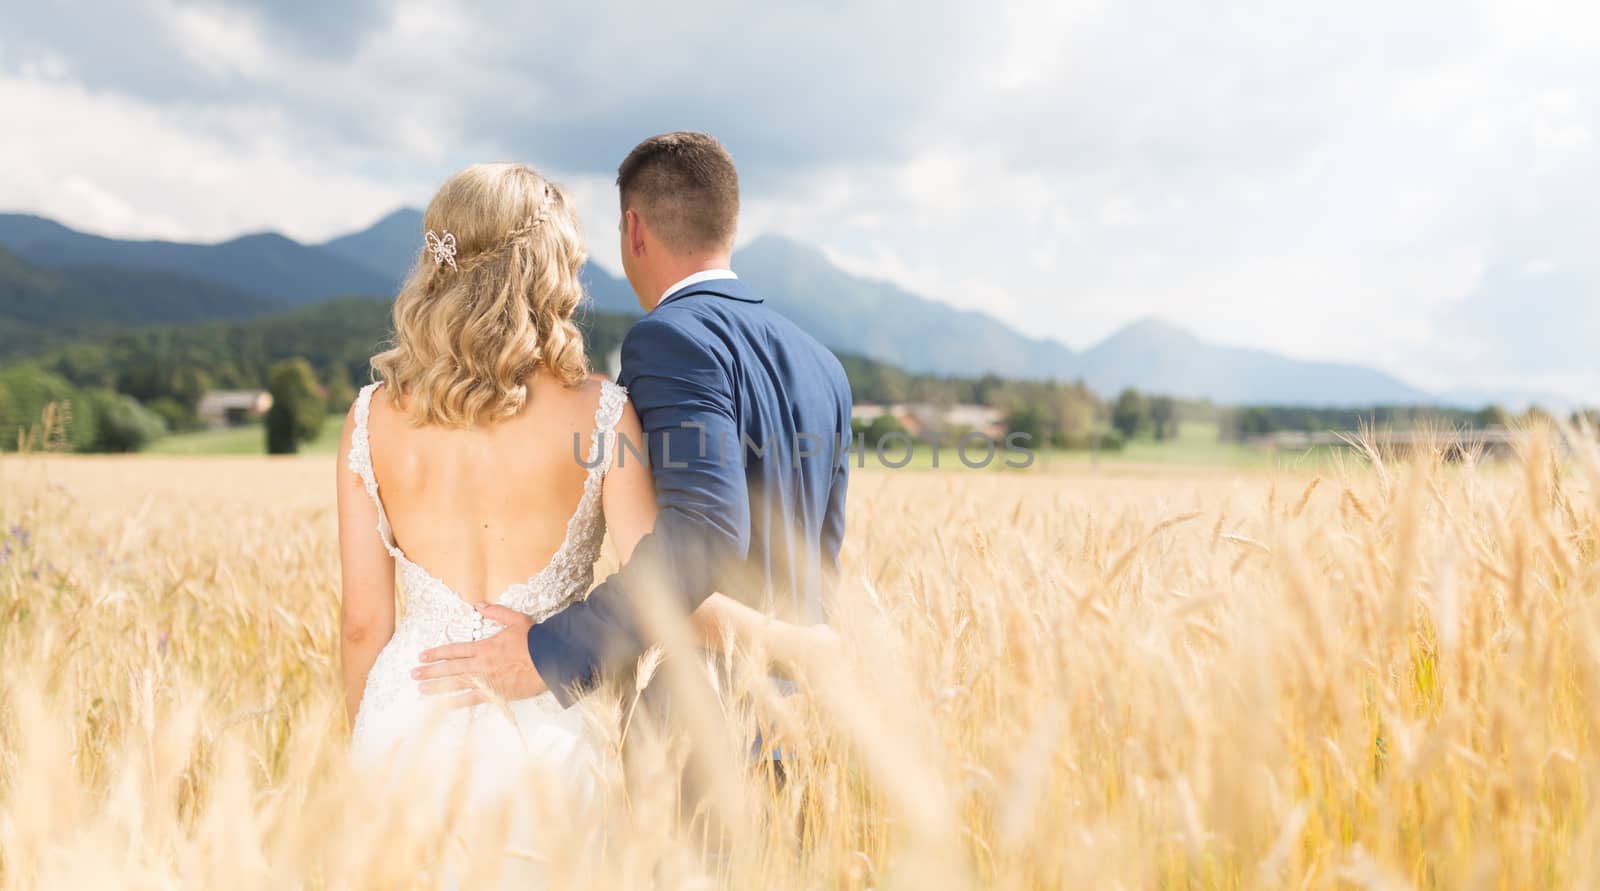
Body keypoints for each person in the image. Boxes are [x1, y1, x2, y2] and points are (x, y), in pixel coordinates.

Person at [337, 161, 832, 817]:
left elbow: (363, 624)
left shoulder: (369, 417)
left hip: (406, 720)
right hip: (550, 731)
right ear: (551, 269)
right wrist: (794, 644)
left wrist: (365, 737)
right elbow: (662, 590)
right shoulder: (601, 411)